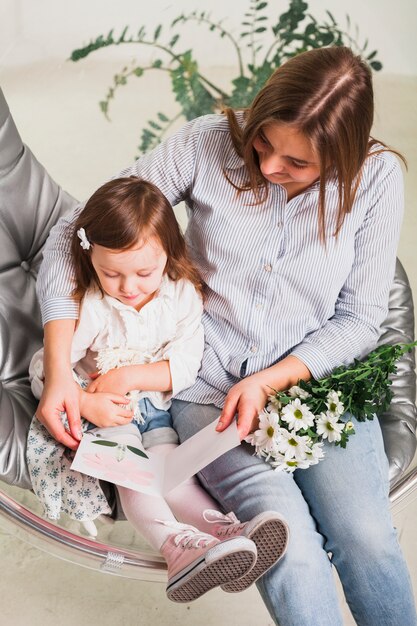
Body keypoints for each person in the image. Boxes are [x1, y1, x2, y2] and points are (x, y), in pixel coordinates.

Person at [34, 46, 416, 624]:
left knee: (366, 538)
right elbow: (78, 233)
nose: (267, 168)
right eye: (265, 142)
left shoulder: (377, 178)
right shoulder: (204, 145)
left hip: (319, 390)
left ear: (342, 156)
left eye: (298, 163)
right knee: (289, 552)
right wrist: (61, 371)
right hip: (207, 390)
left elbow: (361, 317)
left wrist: (272, 378)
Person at [26, 177, 288, 603]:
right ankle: (176, 548)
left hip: (156, 410)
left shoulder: (182, 295)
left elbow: (185, 365)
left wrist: (132, 377)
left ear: (169, 252)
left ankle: (221, 532)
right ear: (91, 259)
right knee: (135, 478)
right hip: (108, 414)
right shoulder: (92, 306)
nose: (128, 287)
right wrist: (86, 400)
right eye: (111, 273)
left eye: (144, 272)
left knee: (172, 474)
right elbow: (47, 367)